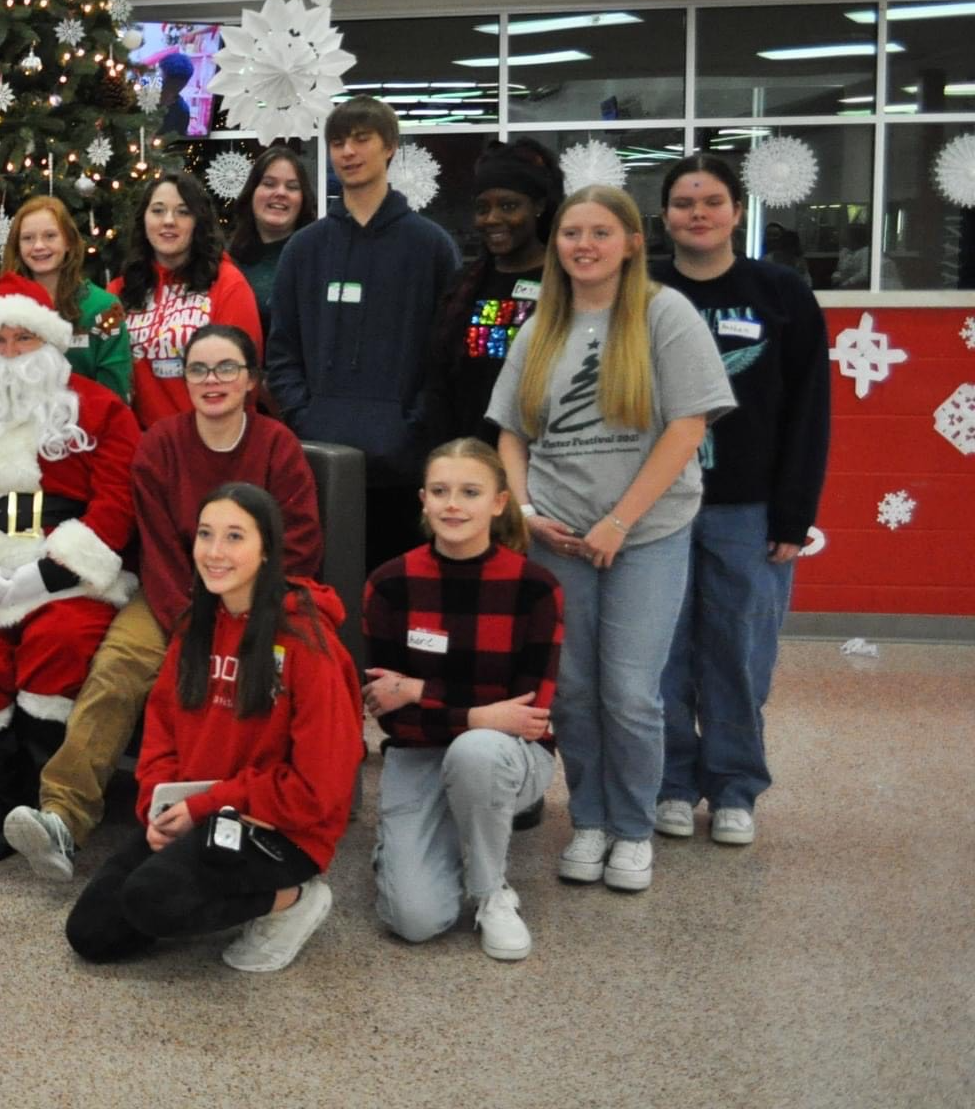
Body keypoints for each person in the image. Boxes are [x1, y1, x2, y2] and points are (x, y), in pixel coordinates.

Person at [3, 324, 322, 881]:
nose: (212, 380)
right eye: (198, 369)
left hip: (262, 606)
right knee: (116, 670)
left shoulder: (278, 446)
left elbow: (298, 546)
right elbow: (156, 550)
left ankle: (257, 823)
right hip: (173, 599)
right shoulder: (161, 444)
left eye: (227, 368)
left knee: (262, 678)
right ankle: (62, 815)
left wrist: (245, 618)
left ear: (250, 380)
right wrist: (192, 625)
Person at [487, 184, 735, 895]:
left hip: (645, 534)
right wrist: (529, 512)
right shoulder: (543, 326)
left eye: (600, 232)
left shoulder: (665, 314)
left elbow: (689, 426)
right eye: (571, 234)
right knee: (572, 691)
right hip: (558, 539)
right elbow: (509, 431)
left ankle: (631, 829)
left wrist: (619, 521)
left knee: (629, 691)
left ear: (632, 242)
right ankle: (588, 819)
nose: (584, 245)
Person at [63, 485, 362, 972]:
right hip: (198, 814)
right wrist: (157, 805)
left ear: (267, 550)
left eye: (234, 537)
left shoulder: (306, 643)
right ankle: (207, 881)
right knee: (92, 933)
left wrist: (203, 806)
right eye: (206, 535)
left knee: (150, 900)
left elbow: (319, 790)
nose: (215, 552)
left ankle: (291, 898)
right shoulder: (195, 626)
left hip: (280, 828)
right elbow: (161, 730)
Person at [0, 273, 140, 861]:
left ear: (52, 345)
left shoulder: (102, 409)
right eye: (0, 341)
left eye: (24, 340)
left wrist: (54, 573)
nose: (11, 353)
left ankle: (45, 789)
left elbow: (118, 500)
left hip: (68, 571)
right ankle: (1, 788)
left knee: (63, 639)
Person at [653, 154, 831, 848]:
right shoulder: (642, 292)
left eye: (712, 200)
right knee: (659, 653)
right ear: (664, 215)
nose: (698, 213)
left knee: (738, 654)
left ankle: (734, 787)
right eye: (684, 201)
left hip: (748, 510)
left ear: (735, 210)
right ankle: (669, 782)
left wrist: (795, 513)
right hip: (655, 509)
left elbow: (809, 410)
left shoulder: (779, 292)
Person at [363, 438, 563, 960]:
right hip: (418, 752)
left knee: (476, 753)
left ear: (498, 502)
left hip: (507, 759)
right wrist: (476, 712)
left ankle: (490, 892)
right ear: (423, 500)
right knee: (413, 920)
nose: (453, 504)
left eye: (470, 492)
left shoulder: (536, 589)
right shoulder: (390, 584)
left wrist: (419, 692)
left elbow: (529, 717)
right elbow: (391, 716)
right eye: (440, 491)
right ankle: (425, 843)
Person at [267, 96, 460, 573]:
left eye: (361, 139)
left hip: (404, 469)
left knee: (395, 599)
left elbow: (447, 354)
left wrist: (414, 426)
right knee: (323, 599)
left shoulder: (431, 246)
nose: (348, 152)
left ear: (390, 147)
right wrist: (305, 418)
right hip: (320, 462)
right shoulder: (304, 249)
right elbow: (282, 349)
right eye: (337, 142)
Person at [422, 138, 563, 447]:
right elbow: (440, 382)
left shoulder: (565, 282)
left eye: (508, 206)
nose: (492, 219)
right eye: (483, 209)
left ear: (538, 206)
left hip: (546, 463)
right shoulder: (464, 286)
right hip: (472, 460)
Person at [109, 171, 262, 428]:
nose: (169, 221)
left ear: (198, 222)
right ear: (144, 220)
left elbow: (241, 381)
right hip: (141, 447)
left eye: (183, 212)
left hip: (211, 441)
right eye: (158, 211)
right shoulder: (119, 290)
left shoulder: (228, 284)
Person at [0, 194, 130, 401]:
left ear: (68, 242)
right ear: (18, 247)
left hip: (86, 426)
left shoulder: (103, 308)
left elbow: (115, 391)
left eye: (50, 236)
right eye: (28, 238)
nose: (39, 246)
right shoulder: (3, 307)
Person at [225, 146, 316, 337]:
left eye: (292, 187)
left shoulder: (318, 259)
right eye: (269, 183)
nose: (280, 193)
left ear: (303, 199)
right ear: (252, 192)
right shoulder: (225, 261)